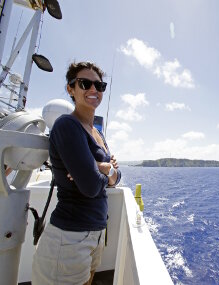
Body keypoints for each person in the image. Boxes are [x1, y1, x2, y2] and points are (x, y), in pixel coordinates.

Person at [32, 61, 121, 285]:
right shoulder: (67, 126)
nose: (94, 90)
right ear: (71, 89)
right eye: (85, 83)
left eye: (99, 86)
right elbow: (90, 187)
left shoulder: (97, 134)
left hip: (95, 233)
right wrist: (101, 171)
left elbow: (116, 178)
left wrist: (102, 168)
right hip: (69, 239)